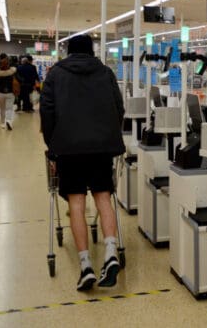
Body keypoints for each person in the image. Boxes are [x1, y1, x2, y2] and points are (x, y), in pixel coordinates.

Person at [40, 35, 126, 291]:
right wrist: (109, 136)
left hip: (69, 149)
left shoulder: (56, 74)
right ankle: (111, 253)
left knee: (76, 203)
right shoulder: (106, 73)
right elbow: (118, 108)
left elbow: (47, 112)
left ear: (68, 51)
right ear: (92, 51)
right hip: (101, 148)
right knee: (103, 197)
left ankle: (86, 265)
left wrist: (52, 147)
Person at [0, 53, 16, 130]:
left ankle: (2, 123)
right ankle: (8, 121)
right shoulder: (12, 71)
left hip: (0, 92)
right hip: (10, 92)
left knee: (2, 109)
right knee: (9, 108)